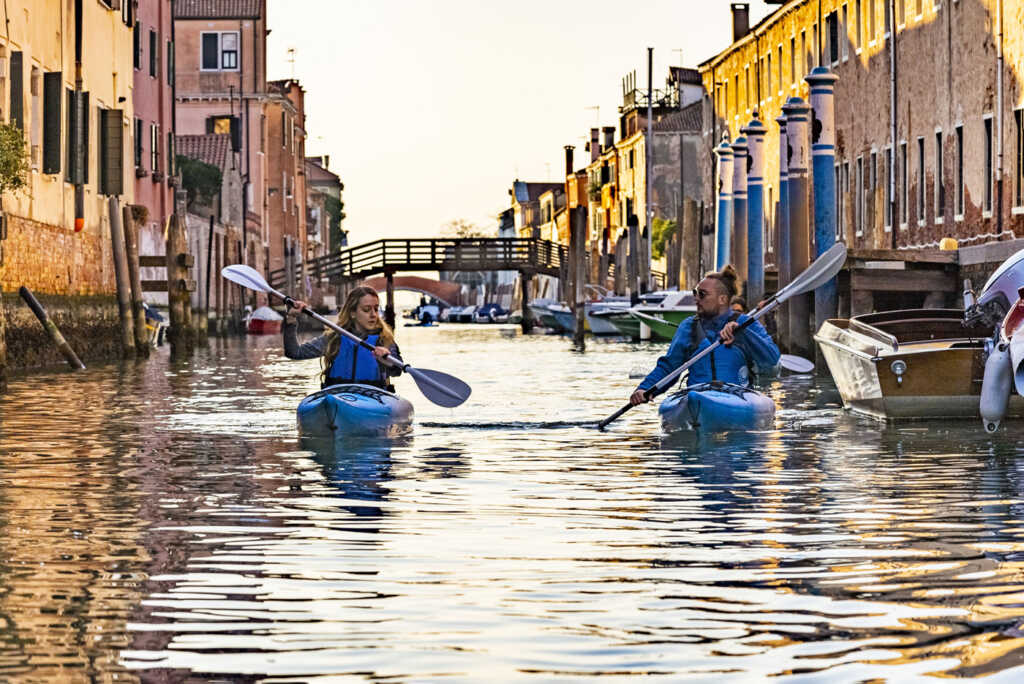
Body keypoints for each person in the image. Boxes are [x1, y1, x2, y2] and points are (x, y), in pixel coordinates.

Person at [629, 265, 779, 406]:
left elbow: (771, 359)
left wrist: (742, 332)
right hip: (697, 395)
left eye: (702, 294)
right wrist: (645, 388)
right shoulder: (688, 327)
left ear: (722, 299)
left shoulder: (745, 324)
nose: (696, 299)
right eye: (695, 293)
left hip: (738, 396)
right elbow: (669, 367)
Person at [283, 286, 403, 391]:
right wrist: (291, 318)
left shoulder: (384, 339)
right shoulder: (334, 339)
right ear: (352, 313)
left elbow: (397, 371)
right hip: (338, 397)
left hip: (373, 398)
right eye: (366, 310)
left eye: (376, 309)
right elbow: (294, 352)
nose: (373, 315)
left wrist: (387, 361)